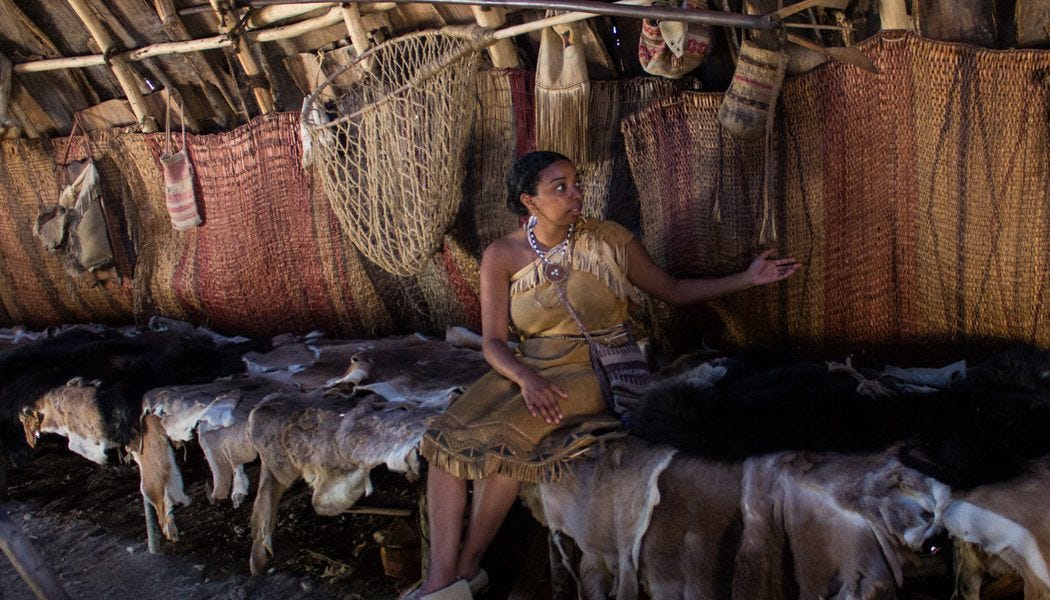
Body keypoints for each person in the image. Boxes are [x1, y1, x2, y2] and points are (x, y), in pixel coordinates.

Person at [409, 151, 800, 599]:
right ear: (528, 201)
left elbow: (671, 290)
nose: (576, 194)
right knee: (444, 442)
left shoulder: (609, 240)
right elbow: (494, 342)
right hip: (526, 365)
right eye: (560, 187)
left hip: (595, 365)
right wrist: (525, 377)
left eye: (575, 183)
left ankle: (467, 569)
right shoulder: (501, 255)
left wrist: (747, 278)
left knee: (506, 445)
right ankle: (441, 580)